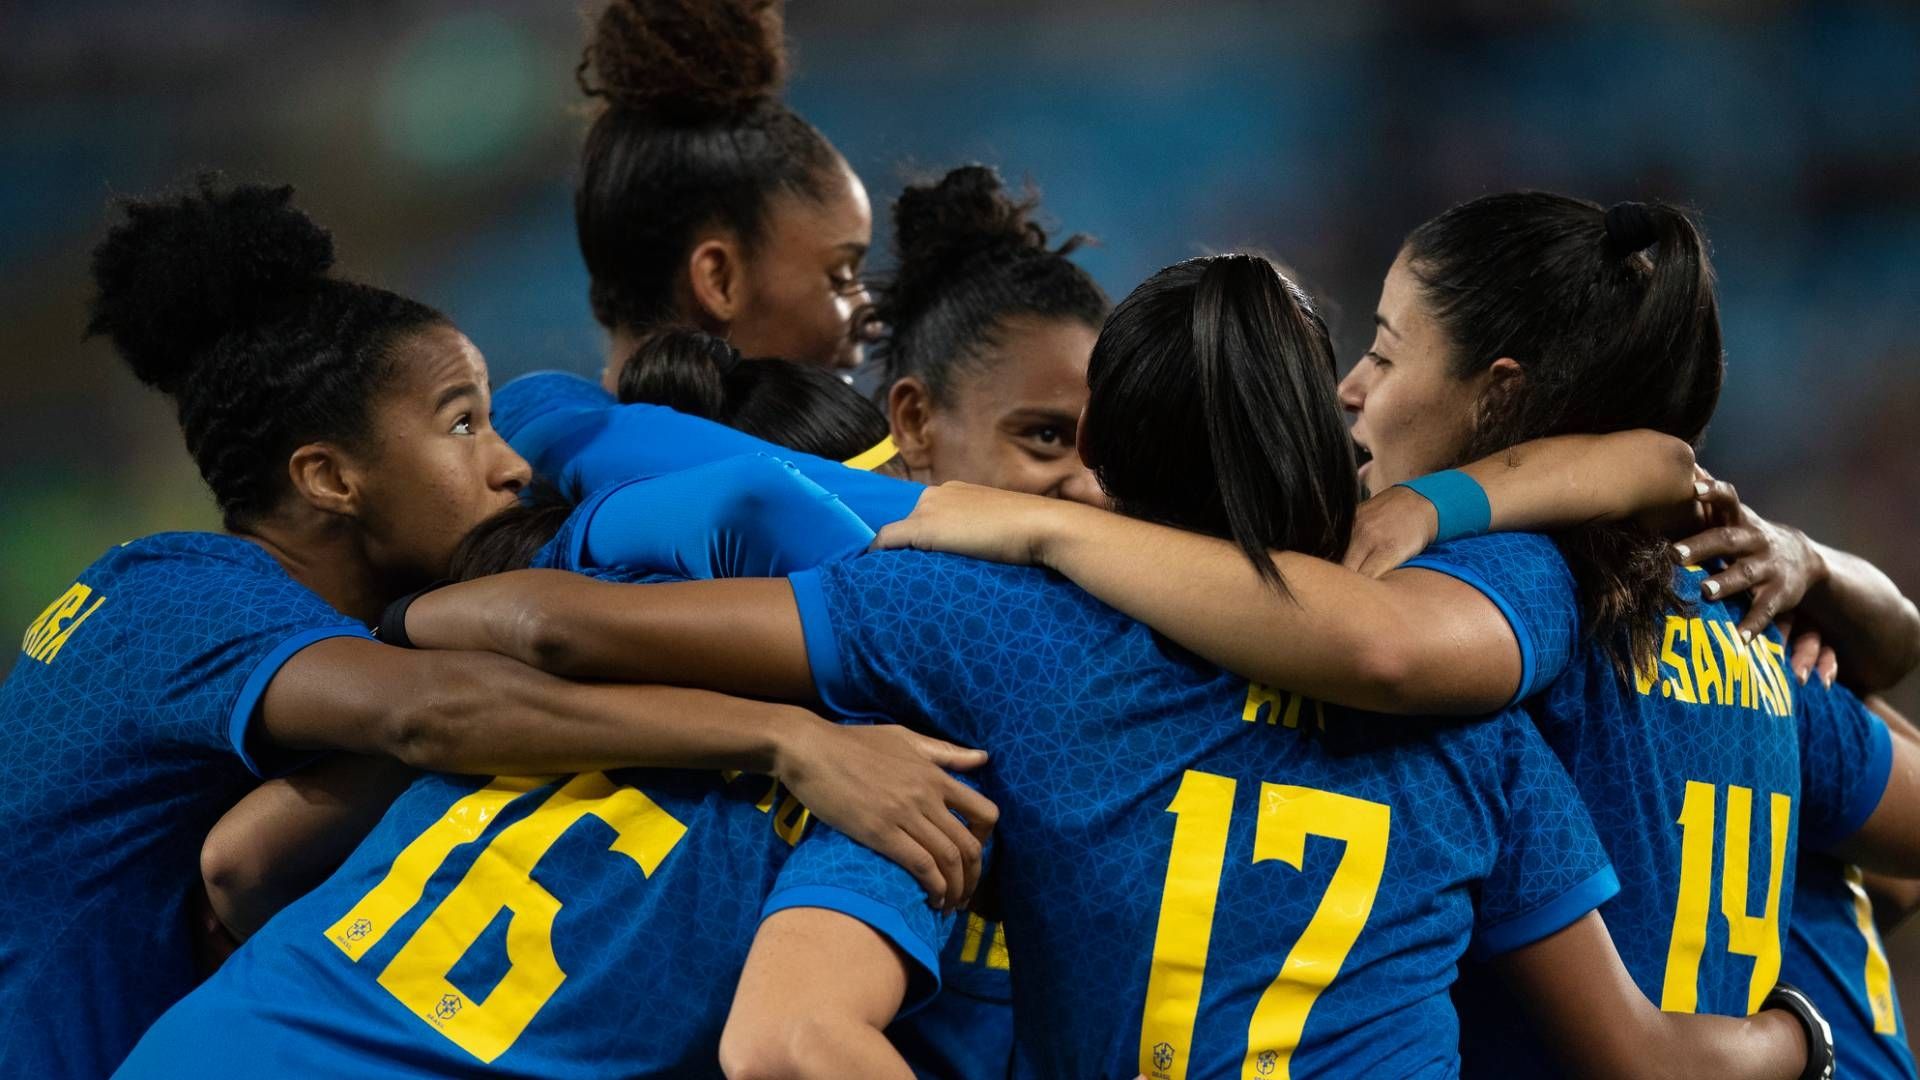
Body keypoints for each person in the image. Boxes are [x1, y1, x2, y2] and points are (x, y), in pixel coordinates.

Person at [394, 255, 1830, 1080]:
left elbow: (540, 624)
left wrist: (413, 626)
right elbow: (1633, 1058)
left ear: (1109, 458)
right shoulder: (1490, 709)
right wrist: (1806, 1042)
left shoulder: (971, 636)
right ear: (1328, 446)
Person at [871, 192, 1920, 1074]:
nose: (1349, 389)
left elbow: (1380, 645)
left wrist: (1046, 527)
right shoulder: (1729, 609)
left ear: (1496, 395)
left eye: (1381, 350)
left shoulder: (1500, 597)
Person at [0, 178, 985, 1078]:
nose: (511, 464)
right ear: (329, 478)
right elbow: (432, 718)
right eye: (463, 422)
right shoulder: (186, 597)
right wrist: (787, 738)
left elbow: (243, 854)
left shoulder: (285, 631)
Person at [117, 457, 988, 1079]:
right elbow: (792, 1042)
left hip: (217, 1035)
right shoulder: (900, 763)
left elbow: (241, 857)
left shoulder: (516, 698)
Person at [575, 0, 873, 379]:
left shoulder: (515, 431)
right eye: (840, 277)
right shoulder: (766, 441)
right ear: (719, 281)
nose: (871, 320)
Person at [874, 164, 1110, 503]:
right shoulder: (795, 551)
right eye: (1046, 436)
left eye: (1109, 455)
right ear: (915, 421)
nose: (1093, 492)